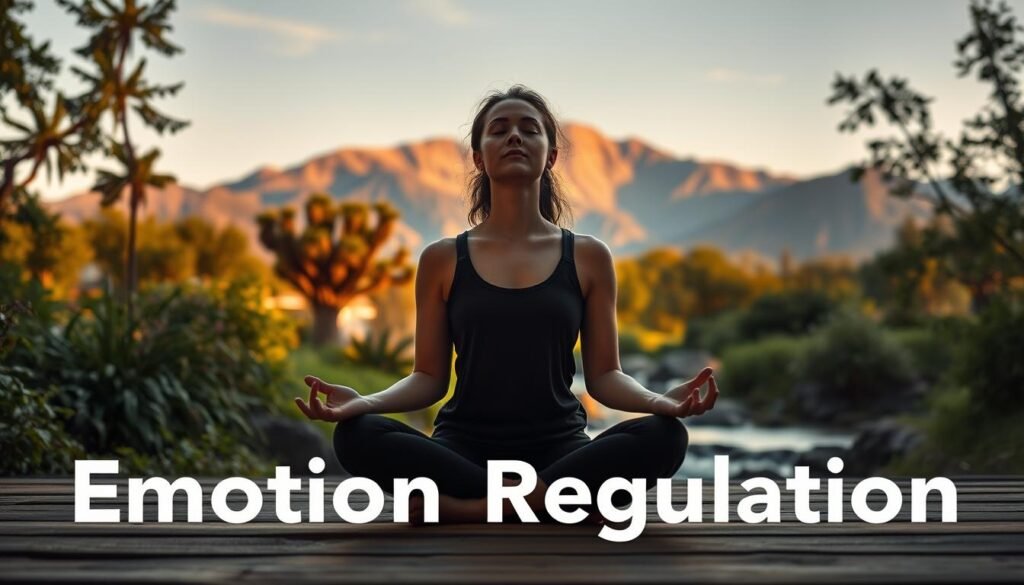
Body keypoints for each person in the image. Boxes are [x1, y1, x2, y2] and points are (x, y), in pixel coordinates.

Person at [295, 84, 719, 526]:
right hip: (464, 450)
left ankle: (472, 509)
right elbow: (428, 379)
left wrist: (659, 403)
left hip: (558, 448)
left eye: (529, 129)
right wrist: (363, 403)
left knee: (665, 437)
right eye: (499, 130)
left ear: (550, 155)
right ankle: (555, 502)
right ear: (479, 157)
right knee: (357, 436)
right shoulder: (442, 259)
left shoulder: (589, 257)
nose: (514, 136)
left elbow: (605, 377)